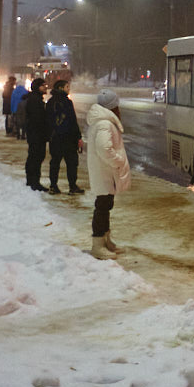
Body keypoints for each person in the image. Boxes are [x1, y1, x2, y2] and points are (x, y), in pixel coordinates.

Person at [86, 89, 131, 260]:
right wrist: (119, 161)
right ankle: (98, 244)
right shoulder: (105, 124)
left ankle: (105, 241)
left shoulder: (102, 122)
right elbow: (104, 148)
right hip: (105, 171)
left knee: (105, 205)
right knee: (102, 207)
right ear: (113, 107)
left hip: (104, 171)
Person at [46, 79, 84, 195]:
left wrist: (50, 135)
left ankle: (53, 186)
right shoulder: (67, 102)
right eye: (67, 87)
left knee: (55, 162)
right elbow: (73, 121)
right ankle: (72, 186)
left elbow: (47, 121)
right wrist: (78, 137)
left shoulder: (50, 102)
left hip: (56, 138)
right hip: (68, 138)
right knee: (71, 163)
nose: (69, 89)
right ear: (61, 88)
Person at [23, 78, 49, 191]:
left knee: (34, 157)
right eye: (43, 85)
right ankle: (34, 182)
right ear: (37, 87)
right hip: (37, 134)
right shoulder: (35, 100)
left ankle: (32, 181)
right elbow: (37, 119)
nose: (46, 87)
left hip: (35, 133)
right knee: (36, 157)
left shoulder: (35, 98)